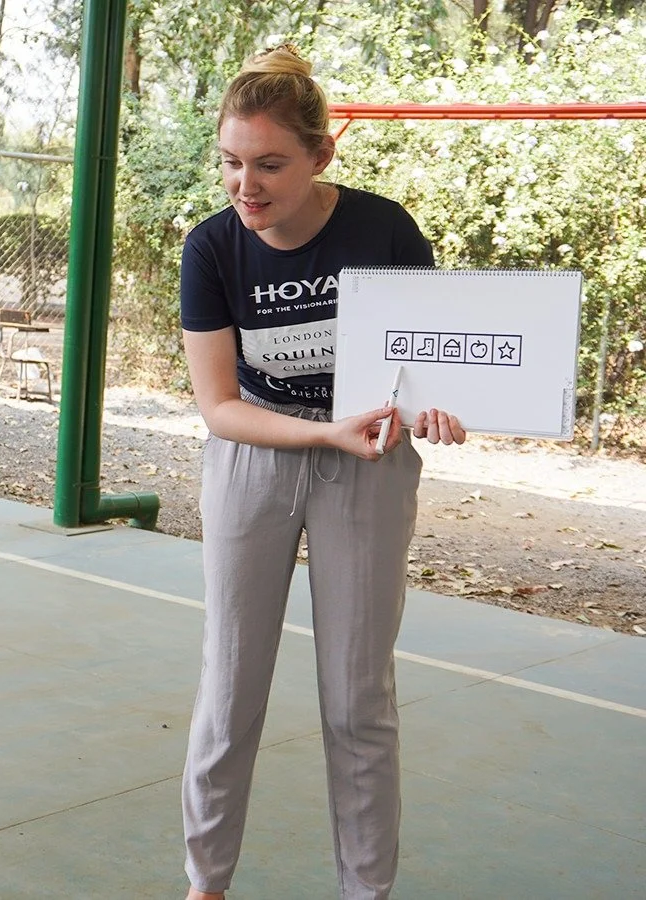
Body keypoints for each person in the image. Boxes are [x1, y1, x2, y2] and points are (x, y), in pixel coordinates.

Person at [178, 46, 466, 900]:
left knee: (356, 700)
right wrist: (317, 433)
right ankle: (205, 884)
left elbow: (428, 367)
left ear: (321, 157)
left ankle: (365, 891)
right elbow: (220, 407)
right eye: (230, 163)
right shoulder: (213, 249)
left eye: (269, 164)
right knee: (229, 694)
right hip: (254, 457)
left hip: (369, 459)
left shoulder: (383, 231)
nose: (246, 185)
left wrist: (432, 408)